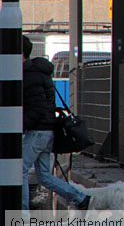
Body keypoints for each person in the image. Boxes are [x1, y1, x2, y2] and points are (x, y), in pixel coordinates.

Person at [22, 35, 91, 212]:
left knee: (19, 170)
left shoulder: (30, 76)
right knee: (44, 176)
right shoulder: (39, 72)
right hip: (46, 131)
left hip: (37, 132)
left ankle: (22, 216)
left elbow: (37, 109)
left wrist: (20, 125)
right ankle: (81, 198)